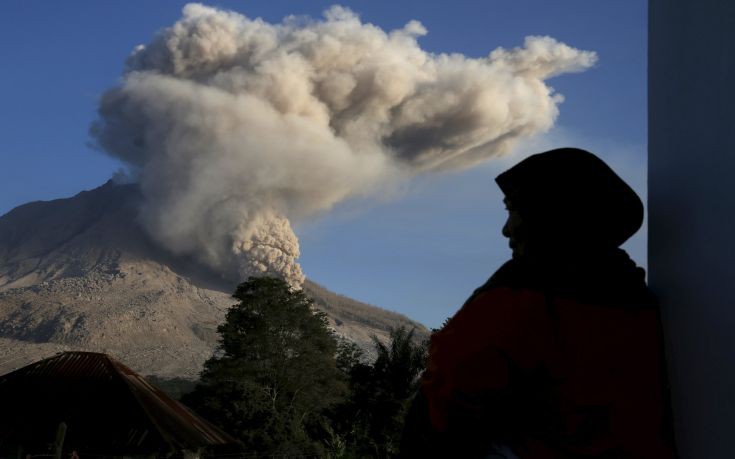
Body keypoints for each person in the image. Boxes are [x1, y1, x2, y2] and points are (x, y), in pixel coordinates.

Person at [401, 148, 677, 458]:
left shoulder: (522, 297)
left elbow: (446, 399)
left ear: (550, 212)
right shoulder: (640, 302)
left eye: (513, 209)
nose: (505, 229)